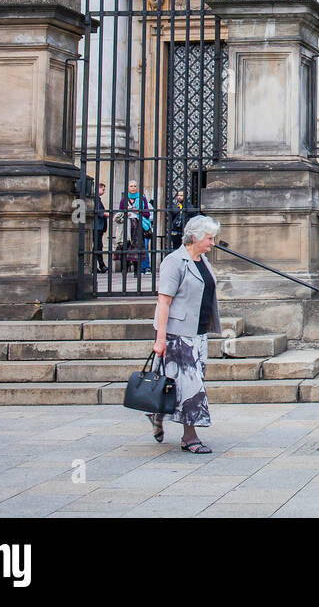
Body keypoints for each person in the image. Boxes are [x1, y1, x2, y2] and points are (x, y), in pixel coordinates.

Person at [150, 214, 222, 454]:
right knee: (192, 387)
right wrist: (160, 339)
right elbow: (163, 302)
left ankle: (156, 413)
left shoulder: (202, 261)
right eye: (209, 238)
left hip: (199, 332)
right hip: (177, 333)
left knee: (185, 382)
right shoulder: (174, 262)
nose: (213, 243)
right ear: (195, 237)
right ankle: (190, 437)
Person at [119, 180, 152, 276]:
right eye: (131, 186)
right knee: (125, 247)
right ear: (128, 187)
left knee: (137, 248)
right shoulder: (124, 200)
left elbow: (147, 213)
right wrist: (126, 212)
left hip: (138, 226)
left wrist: (138, 211)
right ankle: (124, 270)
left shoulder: (142, 199)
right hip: (127, 226)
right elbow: (119, 212)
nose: (133, 188)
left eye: (134, 186)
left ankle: (137, 271)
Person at [92, 182, 109, 274]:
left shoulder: (97, 199)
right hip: (97, 226)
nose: (104, 191)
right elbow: (100, 212)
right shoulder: (95, 199)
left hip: (99, 227)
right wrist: (109, 214)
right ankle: (100, 266)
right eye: (103, 189)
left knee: (98, 246)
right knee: (97, 247)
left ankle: (97, 266)